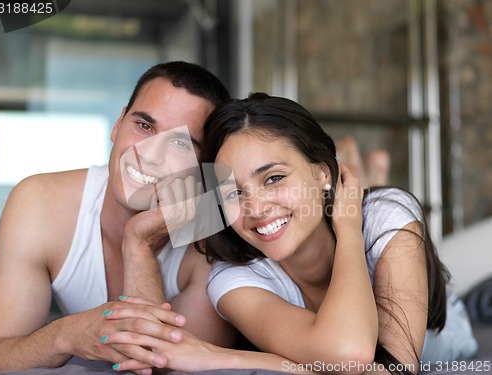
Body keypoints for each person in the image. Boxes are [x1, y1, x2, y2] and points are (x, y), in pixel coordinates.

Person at [107, 93, 477, 374]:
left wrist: (349, 228)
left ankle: (366, 181)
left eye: (274, 178)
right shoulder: (232, 278)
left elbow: (386, 367)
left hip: (447, 327)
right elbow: (351, 361)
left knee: (385, 215)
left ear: (322, 172)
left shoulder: (384, 215)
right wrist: (138, 237)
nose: (256, 208)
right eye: (235, 192)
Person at [0, 61, 236, 373]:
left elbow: (162, 370)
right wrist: (66, 335)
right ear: (118, 124)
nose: (149, 154)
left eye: (179, 143)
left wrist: (139, 242)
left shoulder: (212, 243)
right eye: (144, 126)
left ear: (204, 167)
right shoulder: (40, 203)